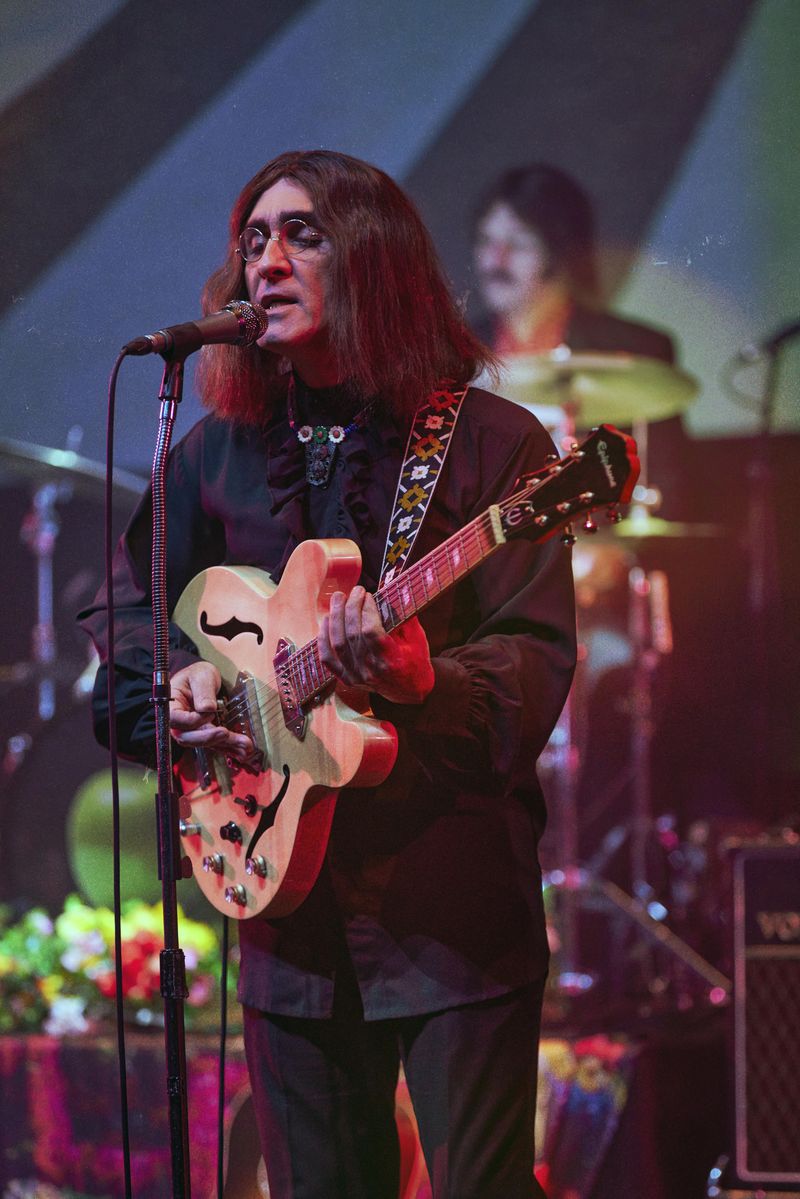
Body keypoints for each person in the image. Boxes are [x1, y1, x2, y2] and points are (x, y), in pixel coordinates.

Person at [79, 149, 576, 1199]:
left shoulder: (491, 442)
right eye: (253, 239)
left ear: (373, 257)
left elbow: (533, 658)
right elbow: (125, 610)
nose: (265, 261)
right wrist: (176, 677)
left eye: (301, 234)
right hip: (285, 913)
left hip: (450, 913)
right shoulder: (215, 452)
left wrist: (419, 680)